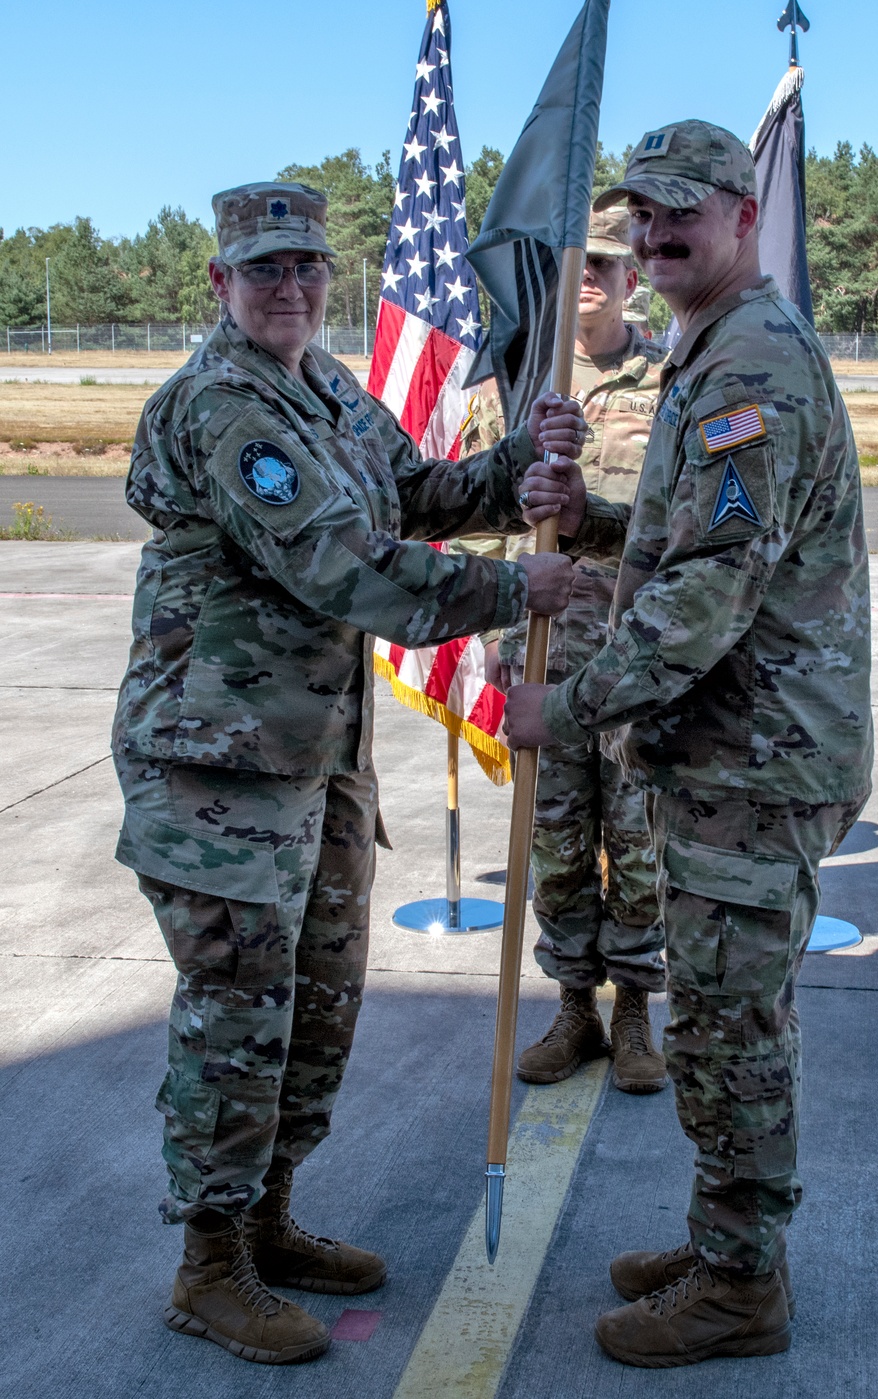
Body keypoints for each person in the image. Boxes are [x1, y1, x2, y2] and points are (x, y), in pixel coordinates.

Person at [112, 181, 581, 1367]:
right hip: (219, 771)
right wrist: (503, 590)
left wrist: (524, 460)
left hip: (313, 758)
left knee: (316, 1004)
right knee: (238, 1015)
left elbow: (416, 492)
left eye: (307, 266)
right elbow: (339, 564)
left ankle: (266, 1223)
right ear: (219, 283)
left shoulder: (322, 389)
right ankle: (208, 1263)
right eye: (263, 270)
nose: (289, 287)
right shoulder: (227, 404)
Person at [505, 122, 873, 1369]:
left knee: (730, 1032)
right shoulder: (711, 347)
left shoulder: (747, 367)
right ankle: (728, 1239)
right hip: (733, 749)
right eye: (643, 217)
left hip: (752, 759)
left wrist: (578, 702)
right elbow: (687, 544)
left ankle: (739, 1287)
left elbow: (709, 590)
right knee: (723, 1020)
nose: (656, 238)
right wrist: (595, 515)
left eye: (682, 216)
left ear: (740, 216)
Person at [459, 210, 669, 1095]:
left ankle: (633, 1011)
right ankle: (575, 1004)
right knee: (554, 835)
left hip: (638, 654)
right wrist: (499, 637)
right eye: (581, 263)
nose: (594, 278)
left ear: (633, 280)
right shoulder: (517, 381)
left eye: (612, 264)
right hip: (545, 649)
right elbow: (480, 522)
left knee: (639, 835)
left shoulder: (672, 380)